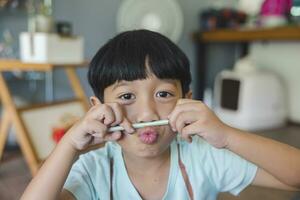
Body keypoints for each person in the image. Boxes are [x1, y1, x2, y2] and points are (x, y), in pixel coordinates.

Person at [21, 30, 300, 200]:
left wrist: (227, 135)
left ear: (186, 101)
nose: (147, 113)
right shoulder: (94, 169)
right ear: (98, 108)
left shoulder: (204, 156)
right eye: (126, 96)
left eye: (163, 94)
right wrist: (69, 145)